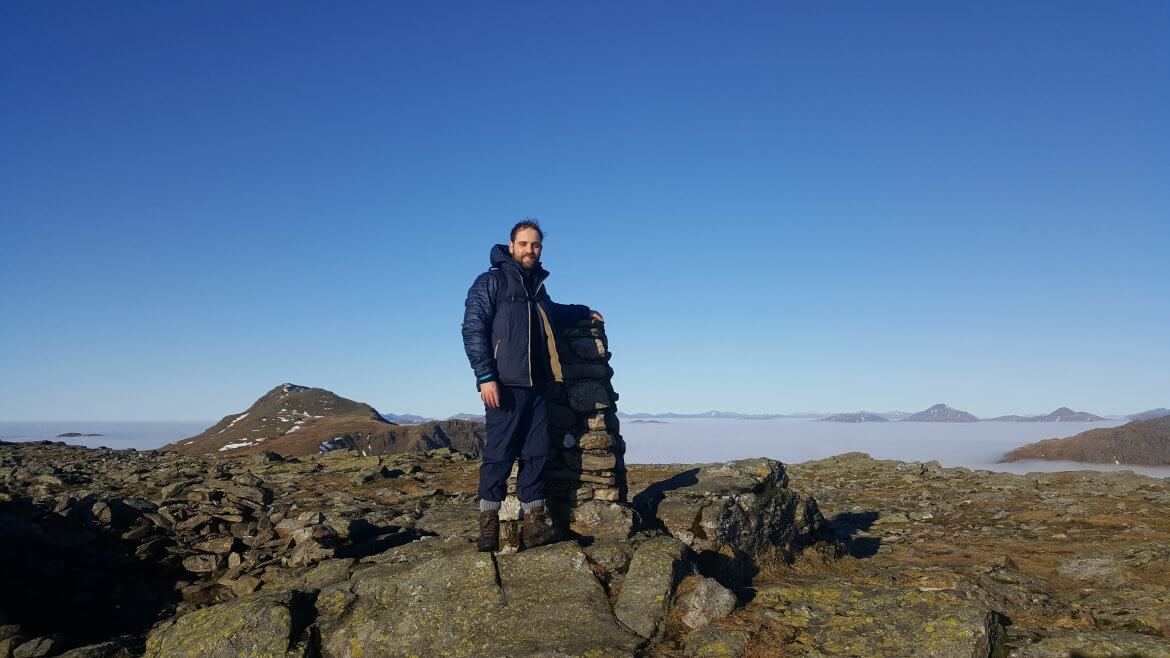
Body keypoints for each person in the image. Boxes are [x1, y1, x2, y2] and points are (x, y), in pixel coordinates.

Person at [461, 219, 604, 552]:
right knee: (498, 455)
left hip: (539, 384)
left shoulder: (536, 287)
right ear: (511, 246)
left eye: (536, 245)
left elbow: (552, 312)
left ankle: (535, 529)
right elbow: (472, 330)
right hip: (504, 387)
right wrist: (485, 376)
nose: (530, 250)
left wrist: (584, 312)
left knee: (536, 453)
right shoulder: (491, 282)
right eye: (524, 244)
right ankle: (488, 531)